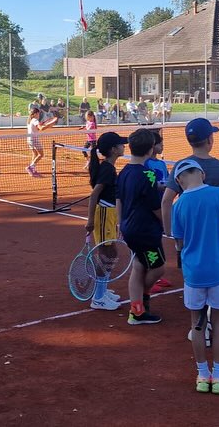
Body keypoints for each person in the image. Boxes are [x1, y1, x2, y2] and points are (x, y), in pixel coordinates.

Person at [170, 159, 219, 395]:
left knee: (197, 324)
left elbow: (179, 242)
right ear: (201, 174)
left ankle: (202, 375)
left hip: (194, 273)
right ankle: (218, 376)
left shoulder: (178, 205)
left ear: (179, 181)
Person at [117, 128, 166, 325]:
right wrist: (168, 225)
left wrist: (121, 222)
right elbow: (155, 206)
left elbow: (119, 199)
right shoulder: (149, 174)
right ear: (150, 149)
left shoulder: (124, 172)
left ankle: (137, 310)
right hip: (145, 230)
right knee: (158, 268)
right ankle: (141, 301)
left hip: (130, 227)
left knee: (139, 265)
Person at [85, 131, 126, 311]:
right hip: (103, 215)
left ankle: (102, 289)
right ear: (113, 149)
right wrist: (90, 220)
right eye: (120, 144)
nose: (123, 146)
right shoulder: (107, 169)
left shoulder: (109, 167)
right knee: (106, 255)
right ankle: (98, 297)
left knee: (111, 253)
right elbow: (94, 195)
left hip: (109, 214)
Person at [144, 130, 172, 293]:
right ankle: (150, 274)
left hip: (161, 205)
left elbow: (166, 180)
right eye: (160, 144)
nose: (162, 146)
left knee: (157, 239)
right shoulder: (146, 164)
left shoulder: (161, 164)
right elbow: (149, 185)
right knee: (150, 242)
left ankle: (156, 273)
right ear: (152, 146)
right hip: (151, 208)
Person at [26, 107, 58, 177]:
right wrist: (49, 125)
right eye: (38, 113)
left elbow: (37, 128)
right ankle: (31, 167)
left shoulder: (30, 120)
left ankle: (32, 168)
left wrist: (47, 125)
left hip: (29, 139)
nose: (39, 115)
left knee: (35, 154)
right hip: (34, 140)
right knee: (41, 154)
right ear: (36, 114)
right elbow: (41, 128)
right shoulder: (35, 120)